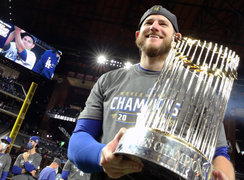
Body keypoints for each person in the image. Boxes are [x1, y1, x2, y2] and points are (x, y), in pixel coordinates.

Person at [68, 5, 235, 180]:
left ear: (177, 39)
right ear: (138, 35)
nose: (154, 27)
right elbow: (80, 138)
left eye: (163, 24)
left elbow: (218, 153)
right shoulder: (108, 81)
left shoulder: (201, 90)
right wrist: (101, 154)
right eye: (148, 23)